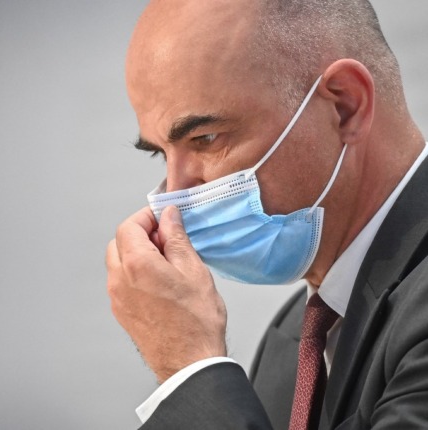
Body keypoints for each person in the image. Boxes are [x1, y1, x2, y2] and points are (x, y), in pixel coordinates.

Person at [105, 0, 428, 428]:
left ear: (345, 106)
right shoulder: (294, 334)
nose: (174, 197)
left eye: (205, 138)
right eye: (160, 155)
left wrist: (190, 370)